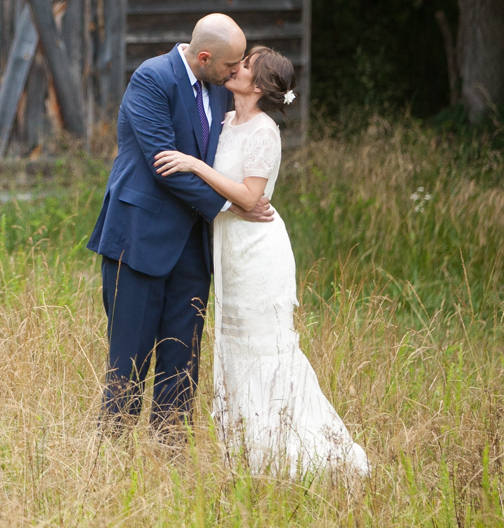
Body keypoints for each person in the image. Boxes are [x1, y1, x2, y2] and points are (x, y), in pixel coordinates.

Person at [154, 46, 369, 476]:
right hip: (229, 251)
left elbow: (251, 196)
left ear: (260, 86)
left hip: (258, 251)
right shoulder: (225, 120)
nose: (237, 67)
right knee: (235, 347)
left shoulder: (264, 131)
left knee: (263, 346)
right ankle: (250, 452)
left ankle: (302, 451)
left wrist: (194, 165)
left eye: (247, 65)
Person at [86, 13, 274, 436]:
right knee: (128, 362)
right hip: (139, 240)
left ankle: (170, 457)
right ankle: (111, 455)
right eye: (230, 65)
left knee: (182, 363)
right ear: (204, 58)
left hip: (193, 246)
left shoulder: (220, 89)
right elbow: (164, 164)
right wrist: (231, 206)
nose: (236, 72)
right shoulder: (152, 79)